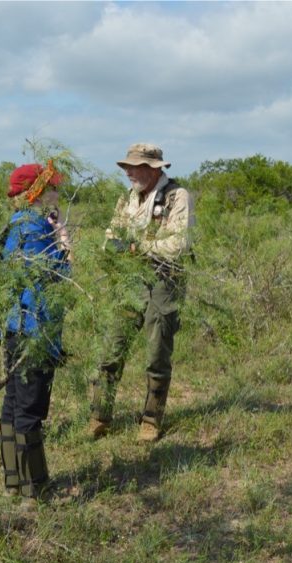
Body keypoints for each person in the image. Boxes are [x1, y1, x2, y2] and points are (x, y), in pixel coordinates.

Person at [88, 143, 195, 443]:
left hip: (164, 281)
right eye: (127, 167)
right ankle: (99, 415)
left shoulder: (177, 196)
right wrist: (116, 249)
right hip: (130, 280)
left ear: (153, 168)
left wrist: (136, 248)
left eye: (133, 167)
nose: (128, 173)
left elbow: (177, 246)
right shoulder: (127, 199)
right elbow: (111, 236)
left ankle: (151, 419)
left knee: (157, 352)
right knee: (112, 347)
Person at [0, 162, 72, 500]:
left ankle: (13, 482)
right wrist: (64, 241)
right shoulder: (37, 230)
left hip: (14, 328)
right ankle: (37, 490)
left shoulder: (16, 224)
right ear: (37, 193)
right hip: (36, 331)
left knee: (13, 404)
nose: (57, 191)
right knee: (29, 410)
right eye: (52, 186)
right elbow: (60, 276)